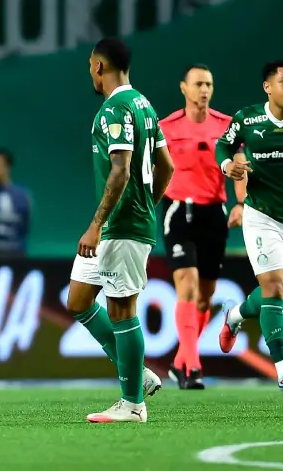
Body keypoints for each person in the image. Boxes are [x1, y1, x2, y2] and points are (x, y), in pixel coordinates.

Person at [68, 37, 175, 423]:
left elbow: (121, 168)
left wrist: (97, 225)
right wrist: (149, 203)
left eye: (91, 68)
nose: (91, 75)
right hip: (127, 220)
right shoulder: (144, 105)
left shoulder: (114, 108)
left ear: (99, 65)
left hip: (119, 225)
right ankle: (139, 373)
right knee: (78, 300)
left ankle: (133, 404)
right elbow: (167, 166)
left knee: (121, 308)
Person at [158, 64, 246, 390]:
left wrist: (240, 203)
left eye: (208, 84)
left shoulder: (227, 125)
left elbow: (241, 168)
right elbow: (153, 169)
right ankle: (193, 368)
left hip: (213, 213)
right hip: (178, 210)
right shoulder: (165, 127)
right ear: (184, 88)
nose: (204, 90)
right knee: (188, 286)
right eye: (198, 84)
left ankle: (180, 361)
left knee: (205, 298)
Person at [217, 60, 283, 389]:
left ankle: (236, 315)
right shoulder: (248, 119)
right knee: (274, 287)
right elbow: (224, 145)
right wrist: (229, 164)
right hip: (262, 215)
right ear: (268, 87)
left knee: (278, 290)